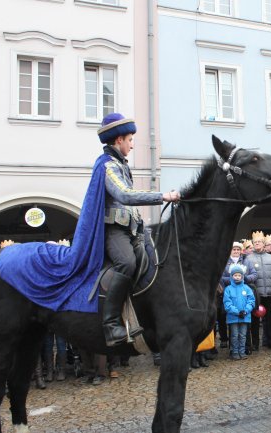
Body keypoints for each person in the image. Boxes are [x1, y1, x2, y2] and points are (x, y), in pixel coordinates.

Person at [97, 113, 180, 346]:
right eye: (130, 140)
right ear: (118, 140)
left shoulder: (122, 166)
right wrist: (162, 196)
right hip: (114, 231)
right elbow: (125, 196)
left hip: (132, 230)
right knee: (127, 263)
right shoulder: (108, 166)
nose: (132, 145)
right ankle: (111, 324)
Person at [247, 231, 271, 349]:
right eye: (255, 242)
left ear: (263, 244)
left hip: (270, 294)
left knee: (270, 319)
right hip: (255, 294)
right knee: (255, 320)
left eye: (259, 242)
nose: (257, 244)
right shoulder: (248, 259)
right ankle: (255, 344)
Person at [218, 242, 258, 349]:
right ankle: (232, 347)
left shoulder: (247, 261)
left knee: (245, 322)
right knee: (231, 322)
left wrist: (244, 279)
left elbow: (254, 274)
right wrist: (233, 279)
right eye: (234, 249)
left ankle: (246, 347)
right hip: (230, 293)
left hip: (244, 292)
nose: (236, 251)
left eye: (238, 249)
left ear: (241, 251)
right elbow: (221, 277)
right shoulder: (225, 262)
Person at [222, 265, 255, 360]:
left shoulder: (247, 288)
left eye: (239, 275)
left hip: (245, 316)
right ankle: (235, 352)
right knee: (234, 335)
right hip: (233, 317)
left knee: (243, 335)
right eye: (235, 275)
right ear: (232, 276)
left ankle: (242, 351)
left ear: (242, 276)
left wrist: (246, 310)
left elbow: (251, 301)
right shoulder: (228, 289)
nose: (237, 277)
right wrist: (237, 312)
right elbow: (227, 303)